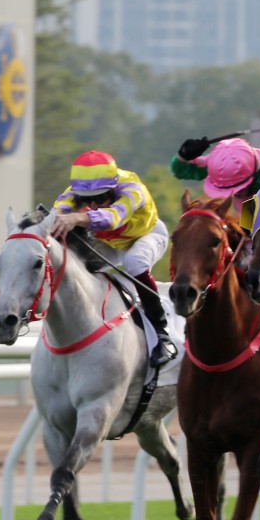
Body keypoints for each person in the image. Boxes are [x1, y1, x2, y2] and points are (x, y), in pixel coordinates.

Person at [47, 150, 177, 367]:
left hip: (146, 235)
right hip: (111, 243)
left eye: (100, 198)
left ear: (113, 187)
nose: (94, 205)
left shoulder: (132, 188)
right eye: (87, 200)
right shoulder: (74, 192)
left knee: (134, 263)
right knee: (79, 263)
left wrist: (77, 217)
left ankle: (162, 333)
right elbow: (54, 214)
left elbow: (112, 219)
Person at [171, 136, 260, 210]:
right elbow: (180, 171)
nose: (234, 196)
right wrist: (183, 156)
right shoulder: (218, 164)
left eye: (239, 191)